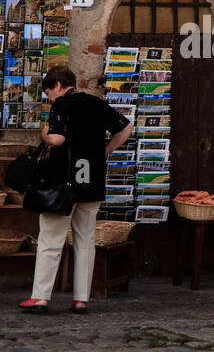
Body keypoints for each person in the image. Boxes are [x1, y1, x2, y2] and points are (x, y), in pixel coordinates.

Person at [21, 64, 133, 314]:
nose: (50, 97)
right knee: (85, 240)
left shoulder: (62, 105)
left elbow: (58, 140)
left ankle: (40, 297)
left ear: (58, 86)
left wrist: (45, 133)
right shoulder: (97, 103)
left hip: (63, 184)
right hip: (92, 182)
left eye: (49, 92)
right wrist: (105, 151)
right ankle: (81, 298)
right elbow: (126, 127)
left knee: (51, 239)